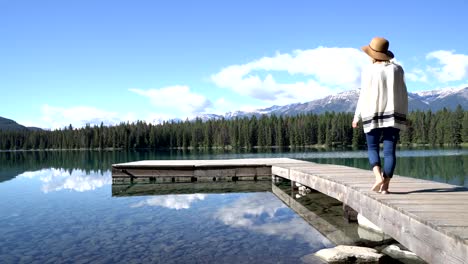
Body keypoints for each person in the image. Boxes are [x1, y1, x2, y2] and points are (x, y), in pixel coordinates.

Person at [352, 37, 408, 194]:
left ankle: (378, 177)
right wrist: (404, 116)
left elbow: (363, 95)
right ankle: (386, 187)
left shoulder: (368, 70)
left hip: (372, 113)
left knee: (372, 147)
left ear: (373, 54)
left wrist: (357, 117)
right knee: (390, 152)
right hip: (394, 115)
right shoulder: (398, 70)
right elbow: (403, 94)